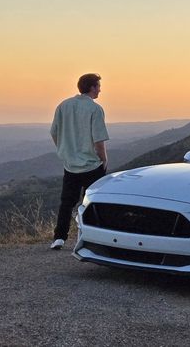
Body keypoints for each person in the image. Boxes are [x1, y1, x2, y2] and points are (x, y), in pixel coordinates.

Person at [49, 73, 109, 250]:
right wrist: (104, 160)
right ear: (92, 88)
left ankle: (59, 238)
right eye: (98, 86)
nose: (100, 89)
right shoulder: (95, 109)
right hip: (92, 165)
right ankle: (91, 238)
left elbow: (54, 132)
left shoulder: (63, 106)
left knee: (66, 203)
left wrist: (65, 150)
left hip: (70, 165)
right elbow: (99, 141)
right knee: (92, 202)